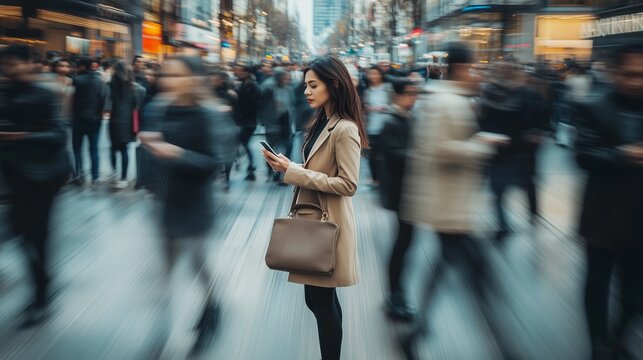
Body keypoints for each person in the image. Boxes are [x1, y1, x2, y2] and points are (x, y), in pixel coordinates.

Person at [398, 42, 510, 359]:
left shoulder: (451, 98)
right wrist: (482, 144)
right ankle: (502, 342)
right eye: (476, 67)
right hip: (447, 205)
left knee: (448, 267)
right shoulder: (446, 101)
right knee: (477, 274)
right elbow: (439, 149)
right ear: (462, 67)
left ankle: (418, 331)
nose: (479, 74)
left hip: (451, 205)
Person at [261, 55, 368, 360]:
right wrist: (289, 165)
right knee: (319, 301)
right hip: (315, 221)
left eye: (313, 85)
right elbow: (318, 168)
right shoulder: (323, 121)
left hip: (328, 225)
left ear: (333, 85)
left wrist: (292, 171)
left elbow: (349, 185)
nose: (306, 91)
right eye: (305, 85)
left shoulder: (345, 129)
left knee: (321, 303)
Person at [138, 55, 237, 357]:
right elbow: (152, 147)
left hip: (196, 203)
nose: (171, 81)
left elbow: (213, 163)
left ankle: (212, 306)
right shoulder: (159, 107)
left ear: (195, 78)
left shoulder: (207, 114)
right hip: (166, 202)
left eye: (178, 75)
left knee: (198, 265)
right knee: (164, 272)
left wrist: (174, 153)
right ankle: (160, 334)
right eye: (168, 75)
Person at [573, 43, 643, 360]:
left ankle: (616, 338)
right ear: (614, 72)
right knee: (598, 284)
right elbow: (583, 154)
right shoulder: (592, 105)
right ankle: (599, 342)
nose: (638, 81)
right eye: (631, 74)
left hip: (639, 217)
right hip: (604, 213)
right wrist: (623, 154)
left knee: (634, 294)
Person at [0, 46, 71, 327]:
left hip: (43, 177)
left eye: (14, 64)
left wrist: (20, 136)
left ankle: (42, 295)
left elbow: (57, 134)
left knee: (37, 236)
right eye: (6, 64)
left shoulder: (44, 94)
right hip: (14, 176)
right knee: (20, 232)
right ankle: (42, 285)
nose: (9, 69)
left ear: (31, 63)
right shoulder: (5, 93)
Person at [479, 60, 543, 241]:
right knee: (527, 184)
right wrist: (534, 134)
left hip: (498, 149)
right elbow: (536, 116)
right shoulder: (527, 92)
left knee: (498, 191)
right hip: (522, 150)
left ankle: (502, 224)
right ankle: (532, 215)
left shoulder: (489, 92)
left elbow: (482, 120)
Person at [379, 78, 418, 321]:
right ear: (397, 96)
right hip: (401, 195)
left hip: (411, 193)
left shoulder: (408, 118)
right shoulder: (390, 122)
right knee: (402, 245)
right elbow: (394, 156)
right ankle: (394, 294)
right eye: (410, 93)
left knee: (405, 244)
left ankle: (397, 292)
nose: (413, 98)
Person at [107, 61, 146, 189]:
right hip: (128, 121)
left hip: (115, 120)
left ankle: (114, 174)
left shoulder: (111, 84)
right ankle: (123, 178)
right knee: (124, 150)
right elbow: (136, 104)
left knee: (113, 148)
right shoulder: (132, 86)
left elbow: (107, 102)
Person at [71, 56, 108, 186]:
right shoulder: (100, 81)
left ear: (82, 66)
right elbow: (103, 100)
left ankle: (79, 175)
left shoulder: (76, 80)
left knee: (77, 149)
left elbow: (72, 100)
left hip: (78, 120)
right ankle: (95, 177)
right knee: (94, 149)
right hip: (95, 120)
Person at [261, 68, 293, 184]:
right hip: (272, 122)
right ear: (278, 77)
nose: (286, 80)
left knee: (287, 146)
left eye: (286, 78)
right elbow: (261, 104)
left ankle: (280, 174)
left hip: (285, 121)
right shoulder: (268, 87)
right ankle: (271, 169)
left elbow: (291, 103)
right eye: (284, 77)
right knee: (271, 148)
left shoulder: (288, 88)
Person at [363, 66, 392, 185]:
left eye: (376, 73)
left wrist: (384, 108)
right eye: (371, 74)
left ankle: (383, 177)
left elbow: (393, 104)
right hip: (371, 127)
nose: (374, 76)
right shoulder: (367, 91)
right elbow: (364, 107)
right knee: (372, 155)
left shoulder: (388, 89)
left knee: (384, 154)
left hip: (385, 126)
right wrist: (367, 109)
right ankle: (374, 178)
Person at [234, 64, 261, 180]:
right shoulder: (245, 84)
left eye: (241, 71)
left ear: (247, 73)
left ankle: (250, 167)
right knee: (243, 143)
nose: (238, 73)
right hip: (244, 121)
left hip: (248, 121)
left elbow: (252, 104)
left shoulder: (252, 86)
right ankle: (248, 166)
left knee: (244, 143)